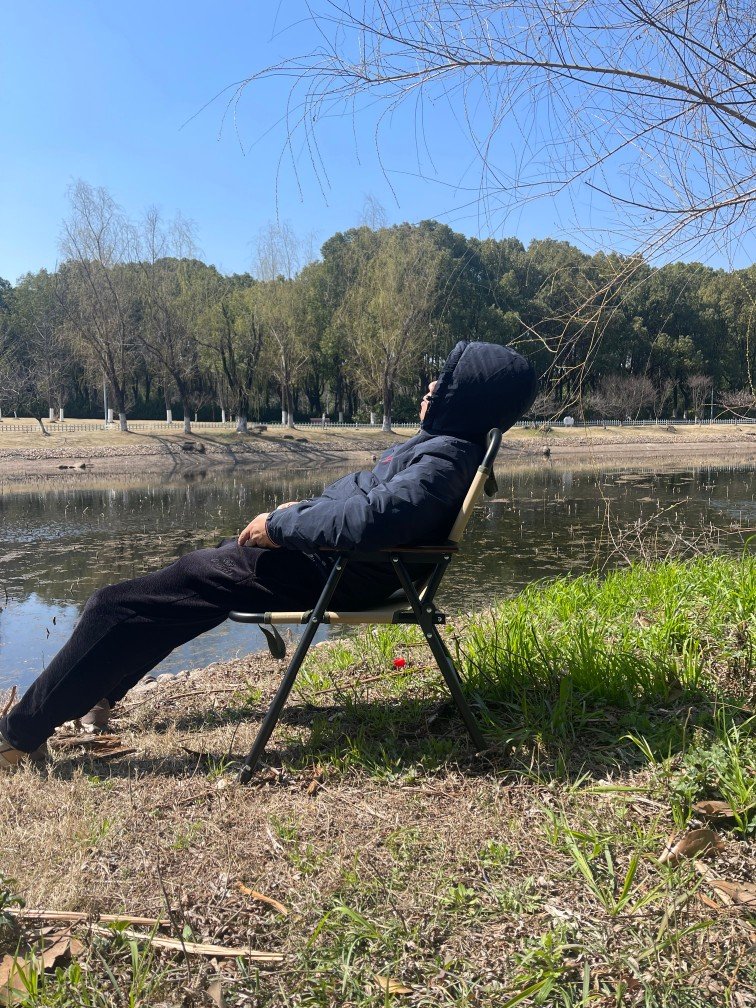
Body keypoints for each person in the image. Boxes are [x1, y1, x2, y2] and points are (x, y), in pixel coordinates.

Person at [0, 340, 536, 768]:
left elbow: (374, 520)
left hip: (329, 572)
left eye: (445, 380)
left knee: (112, 603)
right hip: (334, 566)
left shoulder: (443, 459)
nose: (431, 386)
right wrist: (300, 510)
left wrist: (282, 525)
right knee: (178, 594)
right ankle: (94, 695)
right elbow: (368, 507)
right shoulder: (445, 449)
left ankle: (17, 734)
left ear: (466, 397)